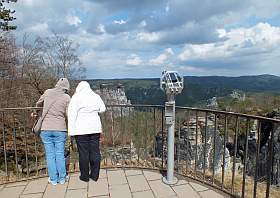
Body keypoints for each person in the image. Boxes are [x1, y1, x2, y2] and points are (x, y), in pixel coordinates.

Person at [68, 81, 106, 182]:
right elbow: (103, 109)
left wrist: (71, 133)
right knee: (95, 152)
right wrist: (93, 110)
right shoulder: (95, 96)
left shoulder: (76, 98)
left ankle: (84, 176)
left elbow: (71, 115)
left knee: (83, 153)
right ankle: (95, 175)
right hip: (95, 128)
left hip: (81, 130)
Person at [35, 78, 71, 185]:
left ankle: (53, 179)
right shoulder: (67, 97)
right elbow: (69, 114)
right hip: (60, 129)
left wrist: (36, 112)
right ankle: (62, 178)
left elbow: (38, 104)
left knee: (50, 155)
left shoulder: (47, 92)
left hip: (45, 128)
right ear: (66, 88)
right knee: (59, 154)